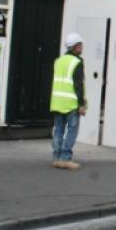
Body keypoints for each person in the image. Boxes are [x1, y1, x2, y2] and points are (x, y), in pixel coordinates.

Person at [50, 32, 87, 170]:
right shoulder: (77, 62)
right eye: (81, 45)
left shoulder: (58, 61)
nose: (82, 47)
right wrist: (81, 105)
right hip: (71, 103)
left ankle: (56, 158)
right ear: (76, 46)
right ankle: (66, 158)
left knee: (58, 129)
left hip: (57, 101)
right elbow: (78, 85)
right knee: (72, 130)